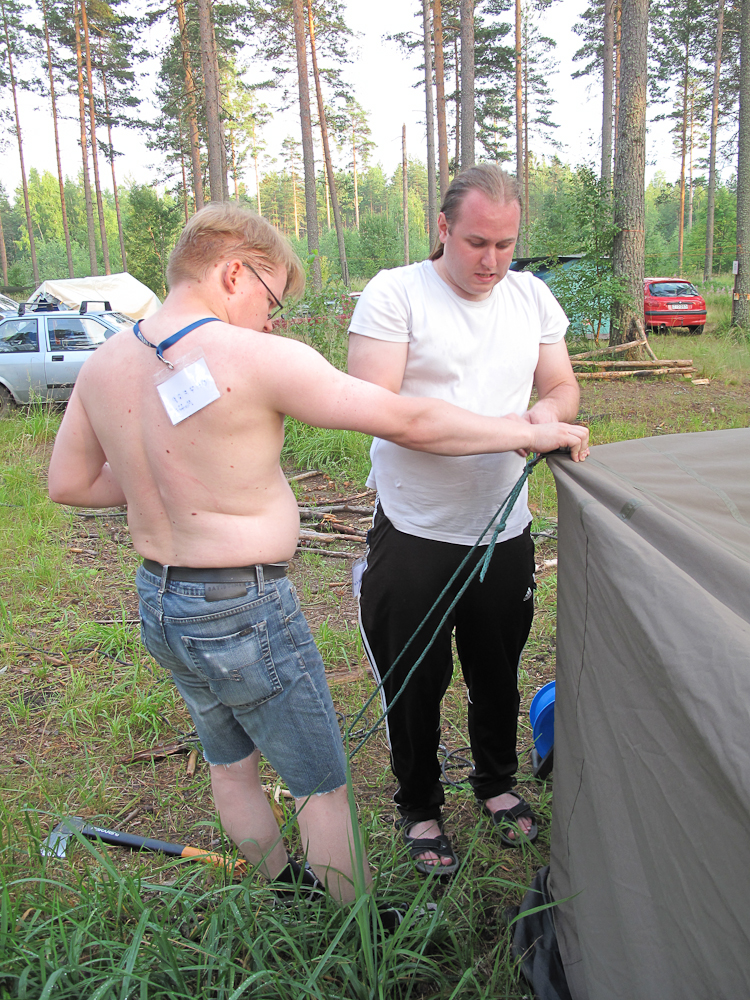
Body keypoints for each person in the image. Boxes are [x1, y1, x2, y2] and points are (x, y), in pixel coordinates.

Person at [48, 201, 587, 905]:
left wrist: (168, 473)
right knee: (320, 786)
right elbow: (406, 419)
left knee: (231, 767)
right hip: (243, 605)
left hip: (161, 599)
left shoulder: (105, 362)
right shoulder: (256, 357)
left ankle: (287, 892)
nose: (271, 320)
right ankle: (353, 931)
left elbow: (69, 482)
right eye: (271, 299)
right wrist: (527, 431)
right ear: (233, 273)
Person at [347, 165, 585, 875]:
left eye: (506, 245)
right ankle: (419, 804)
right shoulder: (396, 293)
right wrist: (513, 430)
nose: (492, 261)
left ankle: (496, 781)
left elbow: (561, 383)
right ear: (444, 227)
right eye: (477, 242)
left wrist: (546, 414)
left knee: (497, 670)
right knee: (414, 680)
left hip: (503, 532)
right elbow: (380, 410)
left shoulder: (531, 296)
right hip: (416, 529)